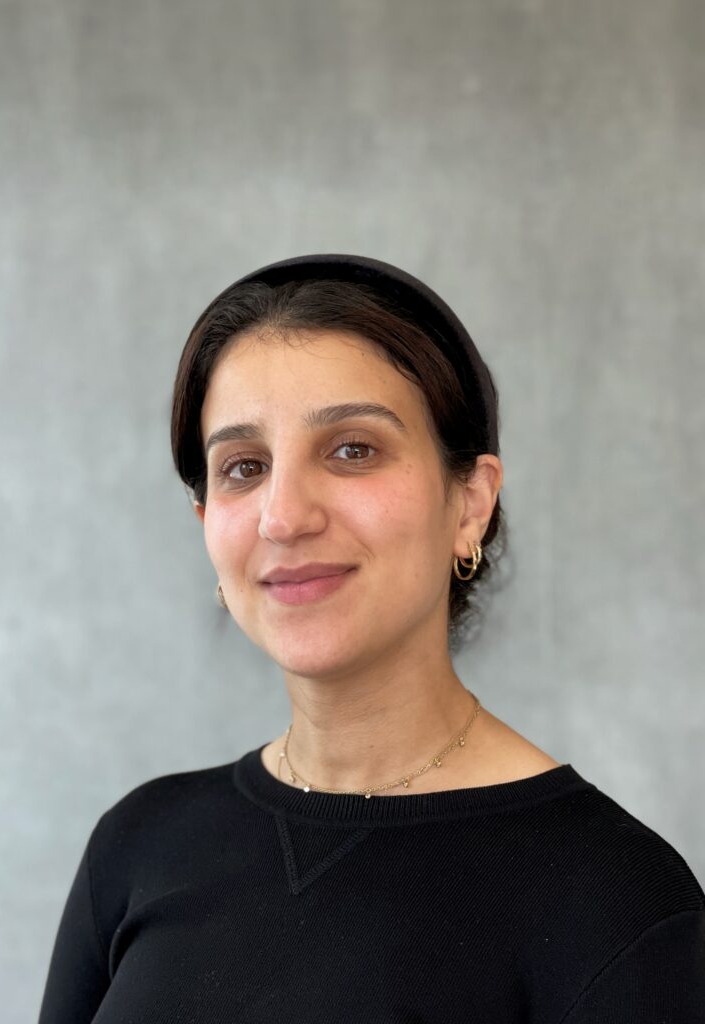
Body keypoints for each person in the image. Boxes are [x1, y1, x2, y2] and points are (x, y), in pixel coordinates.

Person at [38, 254, 705, 1023]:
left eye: (352, 449)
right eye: (244, 467)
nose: (283, 517)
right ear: (206, 524)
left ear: (470, 503)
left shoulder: (619, 903)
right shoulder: (139, 846)